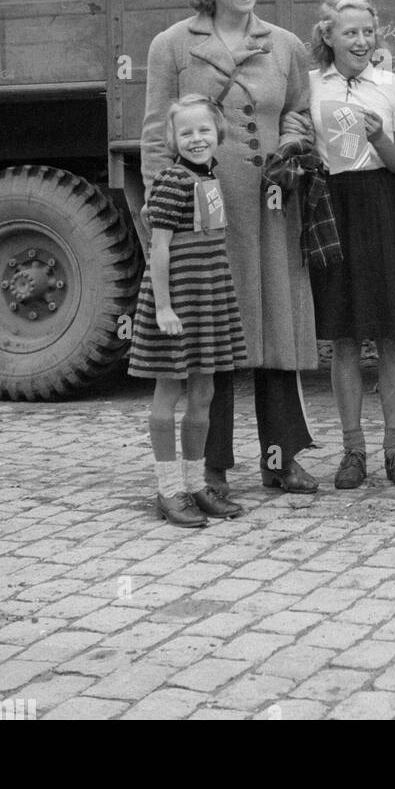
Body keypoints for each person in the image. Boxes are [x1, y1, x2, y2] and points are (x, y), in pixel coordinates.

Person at [142, 0, 320, 497]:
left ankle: (281, 459)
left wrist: (290, 150)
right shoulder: (172, 45)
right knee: (211, 333)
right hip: (203, 215)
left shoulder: (285, 45)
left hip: (270, 209)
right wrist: (162, 206)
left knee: (276, 325)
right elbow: (155, 133)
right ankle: (209, 467)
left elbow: (297, 112)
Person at [307, 0, 395, 491]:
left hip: (382, 203)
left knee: (392, 334)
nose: (359, 40)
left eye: (367, 32)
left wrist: (379, 140)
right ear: (328, 36)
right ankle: (353, 451)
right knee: (344, 335)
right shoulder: (309, 86)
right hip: (332, 204)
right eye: (349, 32)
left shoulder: (393, 85)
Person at [129, 95, 247, 527]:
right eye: (187, 132)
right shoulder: (170, 181)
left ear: (219, 134)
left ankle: (197, 484)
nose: (197, 139)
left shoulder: (211, 178)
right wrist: (163, 308)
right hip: (176, 302)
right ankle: (168, 489)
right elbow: (158, 247)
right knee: (169, 392)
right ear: (173, 140)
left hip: (208, 300)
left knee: (205, 393)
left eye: (204, 131)